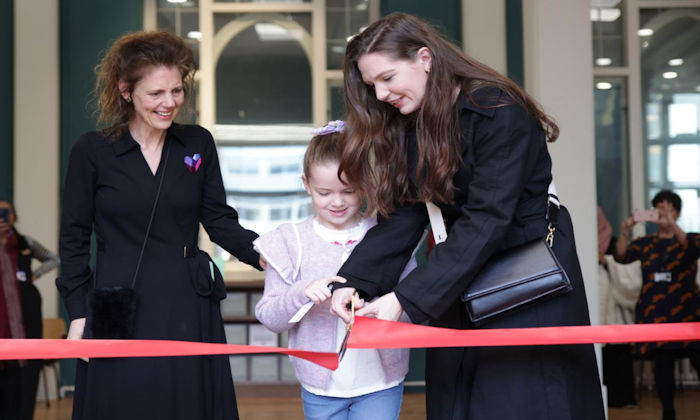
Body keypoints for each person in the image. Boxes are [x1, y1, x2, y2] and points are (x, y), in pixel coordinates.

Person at [329, 12, 604, 419]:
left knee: (523, 401)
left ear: (424, 57)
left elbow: (489, 218)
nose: (381, 93)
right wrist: (353, 282)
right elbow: (405, 214)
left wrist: (405, 299)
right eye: (372, 86)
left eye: (387, 78)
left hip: (526, 277)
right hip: (460, 272)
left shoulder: (499, 110)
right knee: (459, 400)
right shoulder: (413, 124)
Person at [56, 31, 262, 420]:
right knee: (122, 404)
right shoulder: (93, 150)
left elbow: (218, 219)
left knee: (189, 404)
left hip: (187, 299)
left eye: (177, 90)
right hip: (116, 301)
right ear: (125, 91)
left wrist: (267, 255)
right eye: (156, 94)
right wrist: (79, 313)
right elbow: (73, 240)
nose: (170, 103)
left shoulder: (197, 144)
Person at [255, 121, 415, 420]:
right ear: (306, 185)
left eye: (349, 190)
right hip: (321, 388)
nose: (337, 202)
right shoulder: (288, 242)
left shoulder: (389, 235)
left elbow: (415, 303)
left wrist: (381, 306)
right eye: (324, 192)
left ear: (366, 183)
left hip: (381, 383)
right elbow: (269, 317)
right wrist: (300, 292)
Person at [614, 190, 700, 420]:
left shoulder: (689, 238)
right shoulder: (646, 243)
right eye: (658, 207)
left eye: (669, 207)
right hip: (657, 314)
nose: (663, 211)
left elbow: (694, 249)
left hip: (689, 314)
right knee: (663, 365)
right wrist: (626, 230)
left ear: (678, 212)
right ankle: (668, 413)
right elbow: (621, 255)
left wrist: (673, 225)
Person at [0, 199, 60, 420]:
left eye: (6, 212)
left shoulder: (25, 242)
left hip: (25, 317)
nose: (3, 217)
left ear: (14, 216)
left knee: (24, 375)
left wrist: (34, 275)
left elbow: (53, 259)